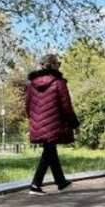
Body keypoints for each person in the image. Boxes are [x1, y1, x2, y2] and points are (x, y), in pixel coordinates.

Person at [25, 54, 80, 195]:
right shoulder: (58, 82)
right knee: (49, 151)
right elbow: (66, 106)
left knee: (50, 151)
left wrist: (33, 120)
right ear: (52, 65)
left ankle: (61, 182)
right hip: (54, 123)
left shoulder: (31, 84)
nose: (59, 65)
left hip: (37, 123)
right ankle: (35, 185)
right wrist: (74, 122)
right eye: (58, 63)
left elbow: (27, 106)